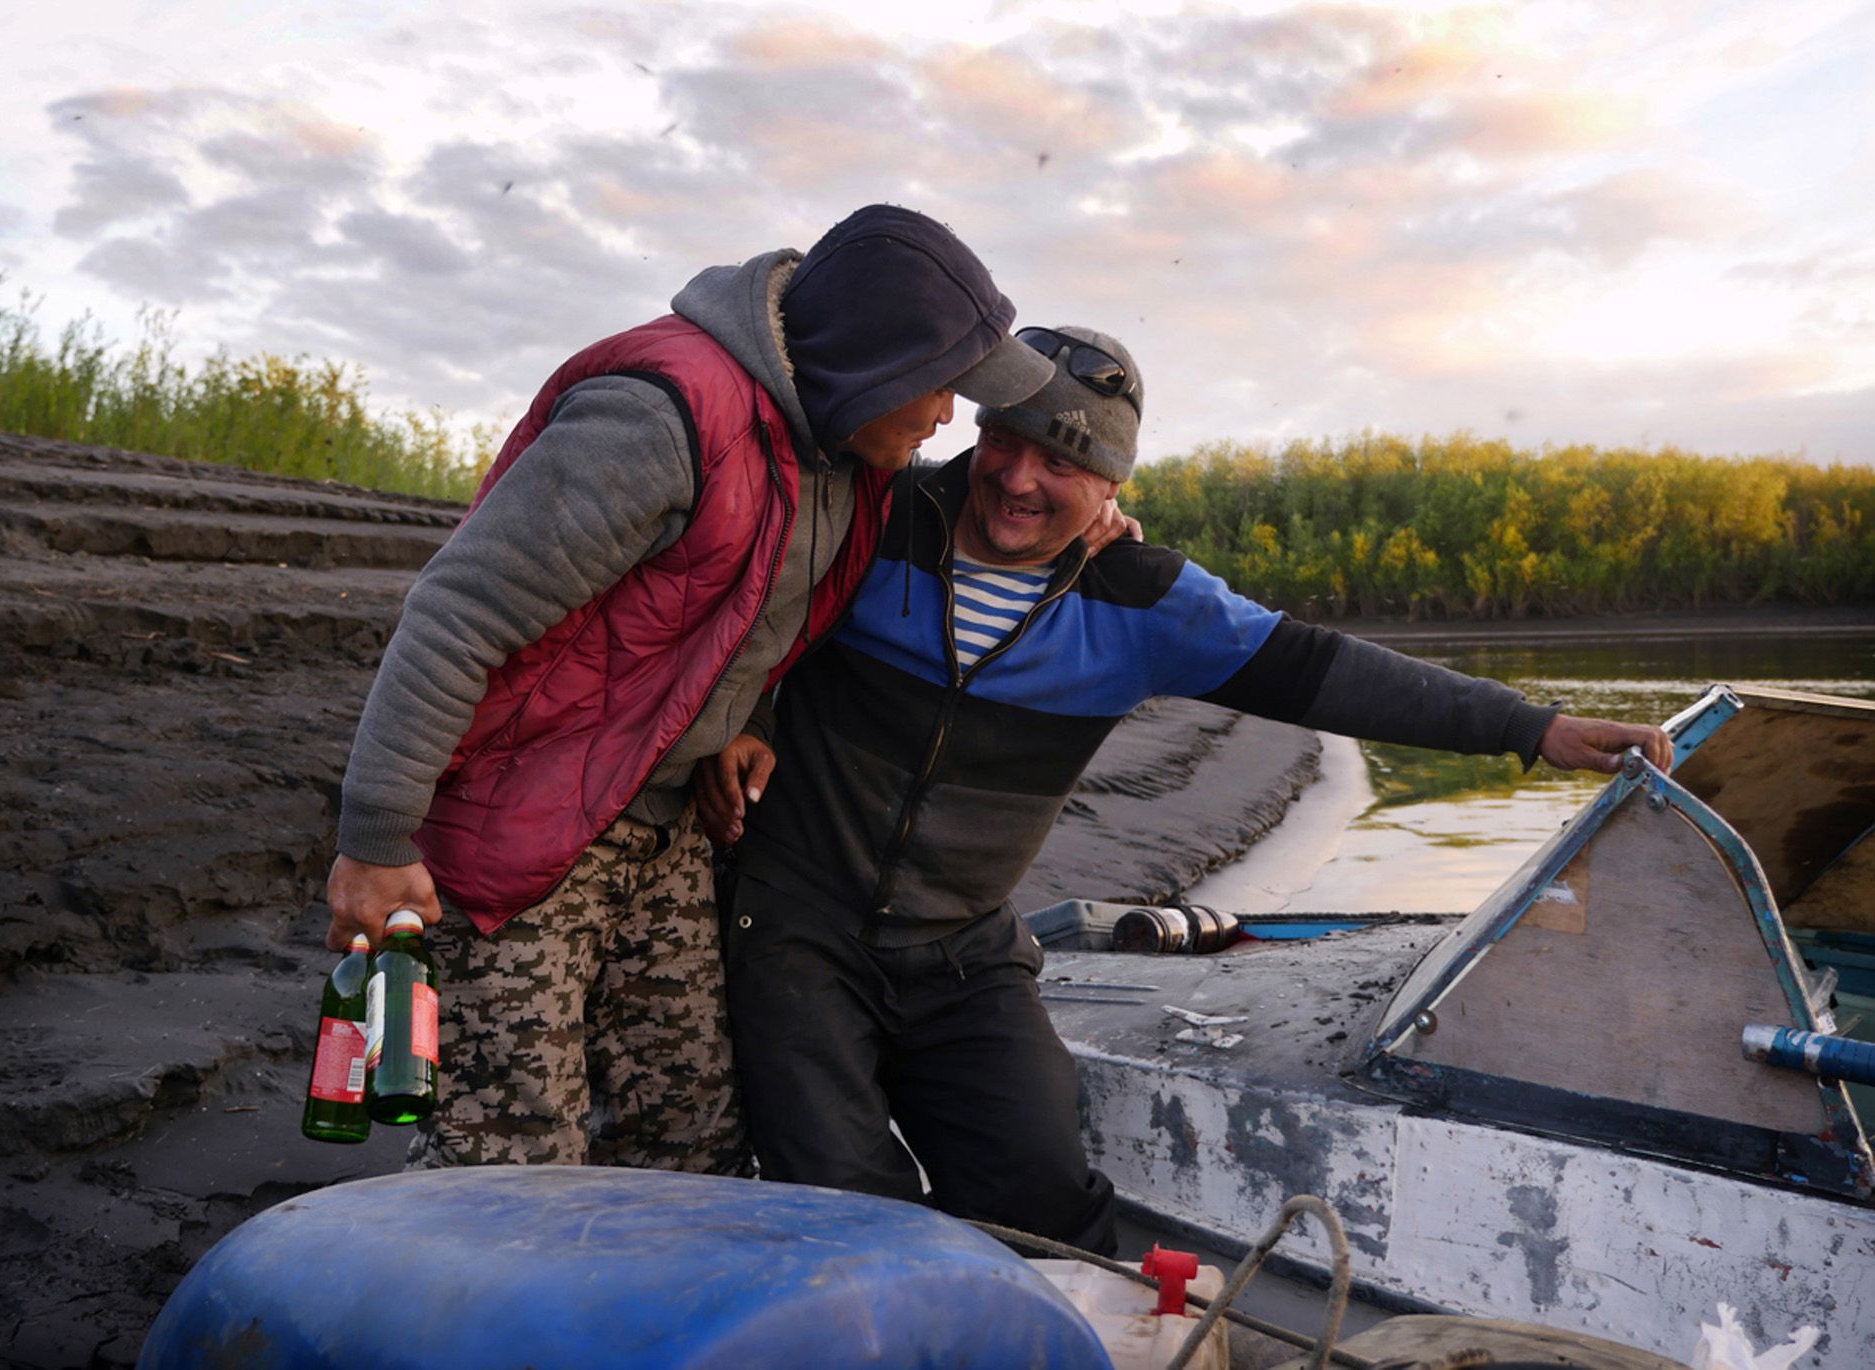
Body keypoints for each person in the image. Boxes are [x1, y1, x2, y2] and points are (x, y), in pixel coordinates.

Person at [697, 324, 1675, 1251]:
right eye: (1007, 439)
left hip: (962, 946)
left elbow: (1325, 668)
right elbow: (740, 606)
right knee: (838, 1191)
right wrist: (748, 717)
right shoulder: (870, 517)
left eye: (1063, 459)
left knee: (1043, 1198)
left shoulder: (1147, 602)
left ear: (1114, 479)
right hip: (798, 923)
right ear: (979, 428)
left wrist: (1532, 727)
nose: (1019, 477)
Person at [323, 204, 1065, 1173]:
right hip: (526, 814)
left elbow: (757, 606)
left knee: (691, 1136)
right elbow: (456, 611)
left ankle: (640, 1325)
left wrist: (744, 719)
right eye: (939, 388)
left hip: (659, 826)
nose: (947, 417)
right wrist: (373, 840)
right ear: (873, 360)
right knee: (508, 1159)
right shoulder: (660, 415)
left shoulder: (847, 455)